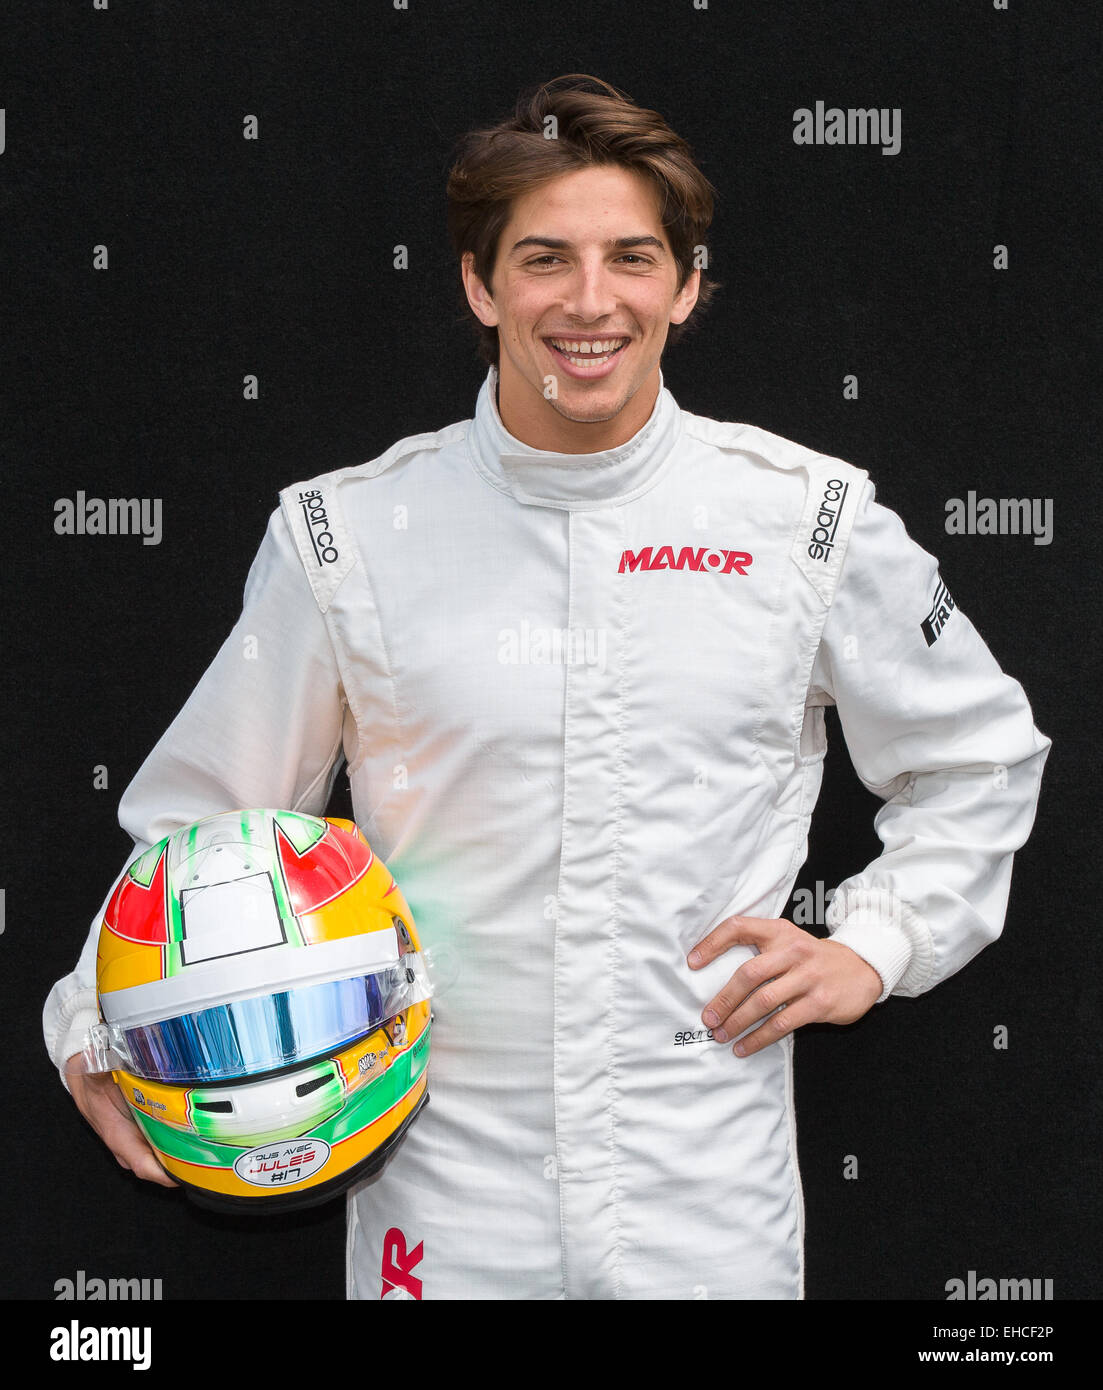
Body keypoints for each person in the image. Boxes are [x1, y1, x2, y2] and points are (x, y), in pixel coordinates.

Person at [44, 73, 1051, 1300]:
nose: (590, 301)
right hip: (437, 1189)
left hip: (705, 1198)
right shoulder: (345, 535)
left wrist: (876, 941)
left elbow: (981, 754)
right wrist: (90, 1026)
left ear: (684, 287)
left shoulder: (805, 518)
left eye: (632, 258)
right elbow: (192, 841)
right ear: (478, 285)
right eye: (542, 259)